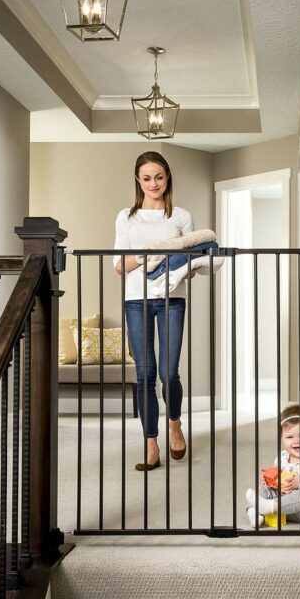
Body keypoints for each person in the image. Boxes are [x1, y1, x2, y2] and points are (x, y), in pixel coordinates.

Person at [114, 151, 193, 471]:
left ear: (167, 177)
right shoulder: (126, 217)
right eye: (146, 178)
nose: (153, 183)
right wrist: (158, 253)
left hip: (172, 299)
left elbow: (190, 260)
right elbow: (120, 265)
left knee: (168, 373)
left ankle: (175, 422)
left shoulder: (181, 217)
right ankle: (150, 444)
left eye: (159, 177)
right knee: (144, 375)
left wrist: (160, 258)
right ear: (138, 181)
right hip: (137, 301)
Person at [245, 404, 300, 527]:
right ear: (282, 438)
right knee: (262, 489)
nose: (296, 441)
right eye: (290, 437)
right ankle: (254, 512)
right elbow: (278, 481)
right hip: (286, 505)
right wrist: (271, 478)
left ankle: (269, 507)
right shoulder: (282, 457)